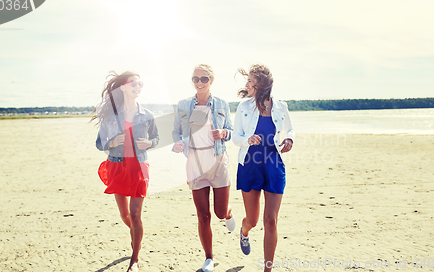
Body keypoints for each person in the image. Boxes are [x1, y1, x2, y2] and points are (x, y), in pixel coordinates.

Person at [93, 71, 159, 272]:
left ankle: (135, 260)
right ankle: (135, 235)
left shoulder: (147, 115)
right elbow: (99, 143)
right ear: (123, 87)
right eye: (134, 83)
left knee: (135, 213)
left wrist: (149, 143)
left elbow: (156, 139)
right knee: (124, 215)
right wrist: (111, 142)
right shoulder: (111, 116)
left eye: (140, 84)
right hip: (117, 166)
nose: (138, 86)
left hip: (139, 167)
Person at [172, 64, 235, 272]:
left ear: (212, 81)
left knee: (218, 212)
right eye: (196, 79)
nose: (199, 82)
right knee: (203, 215)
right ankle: (209, 258)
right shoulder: (182, 105)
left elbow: (231, 131)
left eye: (204, 79)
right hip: (195, 162)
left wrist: (224, 133)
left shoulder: (222, 104)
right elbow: (176, 132)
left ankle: (228, 213)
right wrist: (178, 143)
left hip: (217, 161)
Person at [232, 64, 294, 272]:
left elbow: (290, 129)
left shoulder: (280, 107)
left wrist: (289, 140)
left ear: (262, 85)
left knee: (271, 221)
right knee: (253, 219)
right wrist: (248, 140)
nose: (247, 85)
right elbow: (236, 137)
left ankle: (268, 269)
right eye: (247, 81)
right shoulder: (244, 107)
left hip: (274, 165)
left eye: (251, 81)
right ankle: (244, 230)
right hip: (250, 165)